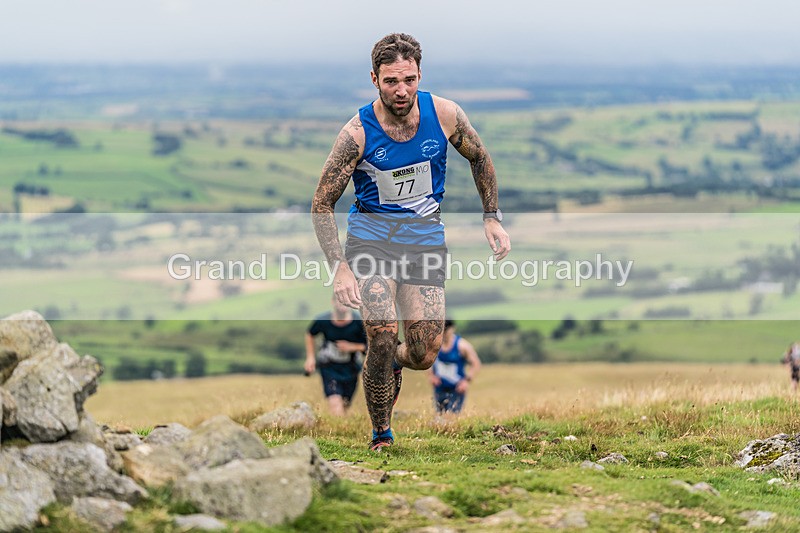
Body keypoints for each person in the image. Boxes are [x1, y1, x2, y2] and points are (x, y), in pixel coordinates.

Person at [311, 33, 510, 451]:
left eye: (409, 79)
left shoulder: (445, 114)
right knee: (381, 330)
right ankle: (381, 434)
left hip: (424, 241)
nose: (401, 90)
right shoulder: (357, 133)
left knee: (423, 353)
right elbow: (322, 203)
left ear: (420, 74)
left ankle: (390, 362)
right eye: (390, 81)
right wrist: (340, 267)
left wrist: (491, 218)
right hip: (371, 242)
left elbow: (480, 158)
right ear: (374, 79)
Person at [304, 296, 367, 416]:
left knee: (345, 403)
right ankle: (337, 431)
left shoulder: (359, 323)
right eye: (339, 301)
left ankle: (341, 428)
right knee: (335, 401)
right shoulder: (323, 320)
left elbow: (369, 345)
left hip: (351, 367)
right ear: (332, 302)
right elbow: (310, 334)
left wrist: (352, 347)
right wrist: (310, 358)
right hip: (329, 367)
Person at [429, 320, 481, 414]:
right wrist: (431, 376)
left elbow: (476, 364)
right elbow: (426, 361)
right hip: (439, 387)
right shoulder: (434, 345)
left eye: (446, 329)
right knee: (439, 416)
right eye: (441, 329)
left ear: (452, 329)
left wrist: (466, 381)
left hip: (457, 388)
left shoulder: (462, 346)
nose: (444, 332)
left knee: (452, 417)